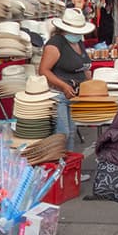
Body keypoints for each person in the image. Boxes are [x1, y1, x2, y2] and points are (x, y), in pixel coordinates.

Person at [39, 8, 95, 151]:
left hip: (74, 95)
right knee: (63, 134)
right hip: (59, 95)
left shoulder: (78, 42)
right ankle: (61, 163)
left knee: (70, 133)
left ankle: (68, 162)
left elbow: (84, 67)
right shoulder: (55, 44)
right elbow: (44, 70)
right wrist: (63, 86)